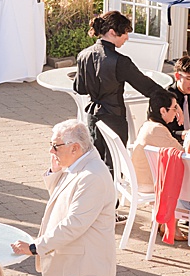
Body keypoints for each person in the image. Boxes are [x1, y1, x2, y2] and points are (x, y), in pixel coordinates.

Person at [13, 119, 117, 276]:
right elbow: (62, 199)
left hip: (84, 269)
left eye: (56, 146)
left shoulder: (92, 177)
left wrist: (35, 247)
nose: (50, 150)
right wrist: (55, 172)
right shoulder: (78, 164)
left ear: (74, 148)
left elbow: (75, 223)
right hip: (74, 264)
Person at [72, 11, 171, 165]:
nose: (127, 37)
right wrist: (172, 99)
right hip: (114, 118)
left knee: (95, 164)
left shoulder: (83, 56)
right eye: (125, 32)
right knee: (115, 165)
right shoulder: (120, 62)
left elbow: (80, 88)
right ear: (112, 32)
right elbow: (147, 87)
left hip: (93, 118)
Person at [156, 58, 190, 143]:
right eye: (189, 78)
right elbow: (159, 130)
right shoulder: (165, 98)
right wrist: (183, 134)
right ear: (177, 76)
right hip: (170, 143)